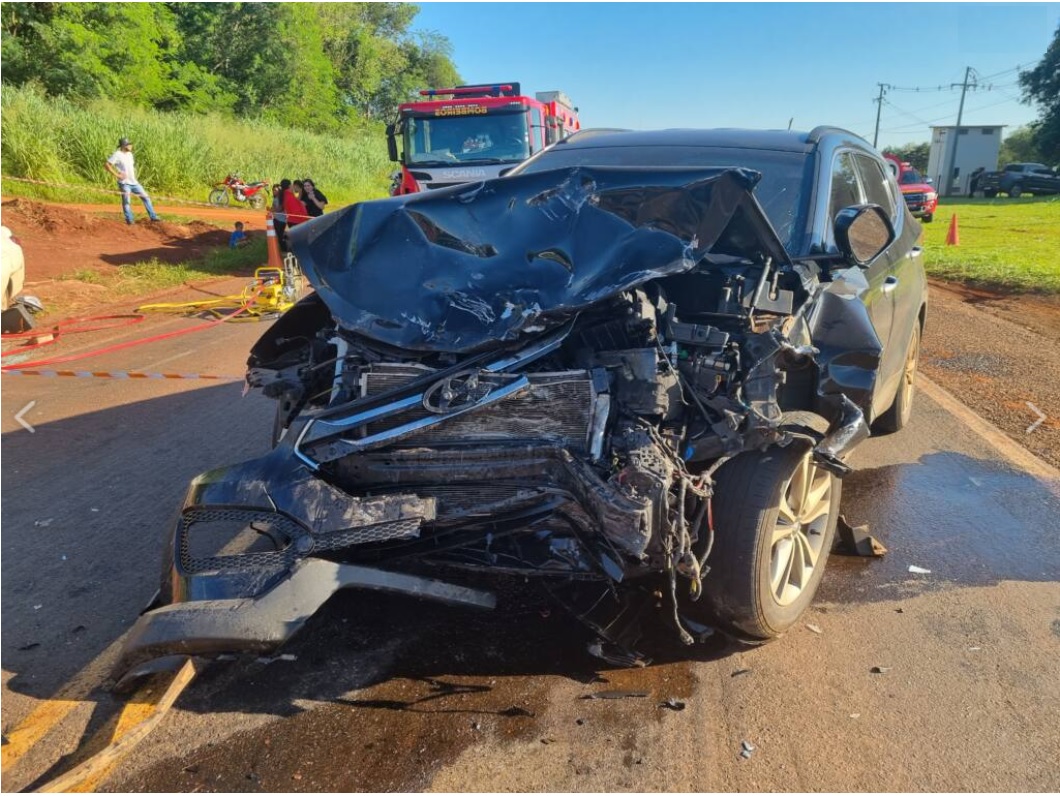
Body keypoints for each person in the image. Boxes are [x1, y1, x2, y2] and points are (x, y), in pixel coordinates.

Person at [105, 137, 160, 225]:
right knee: (127, 202)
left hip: (134, 182)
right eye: (128, 144)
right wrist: (117, 175)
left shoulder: (130, 154)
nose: (131, 146)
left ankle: (153, 217)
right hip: (124, 183)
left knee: (146, 197)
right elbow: (107, 165)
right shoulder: (117, 154)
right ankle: (130, 220)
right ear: (123, 146)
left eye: (130, 144)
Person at [272, 182, 288, 252]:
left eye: (276, 190)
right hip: (278, 219)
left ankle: (284, 249)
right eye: (273, 190)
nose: (274, 191)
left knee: (279, 236)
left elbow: (280, 209)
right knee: (279, 235)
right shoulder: (277, 198)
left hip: (280, 220)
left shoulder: (280, 199)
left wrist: (271, 209)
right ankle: (282, 248)